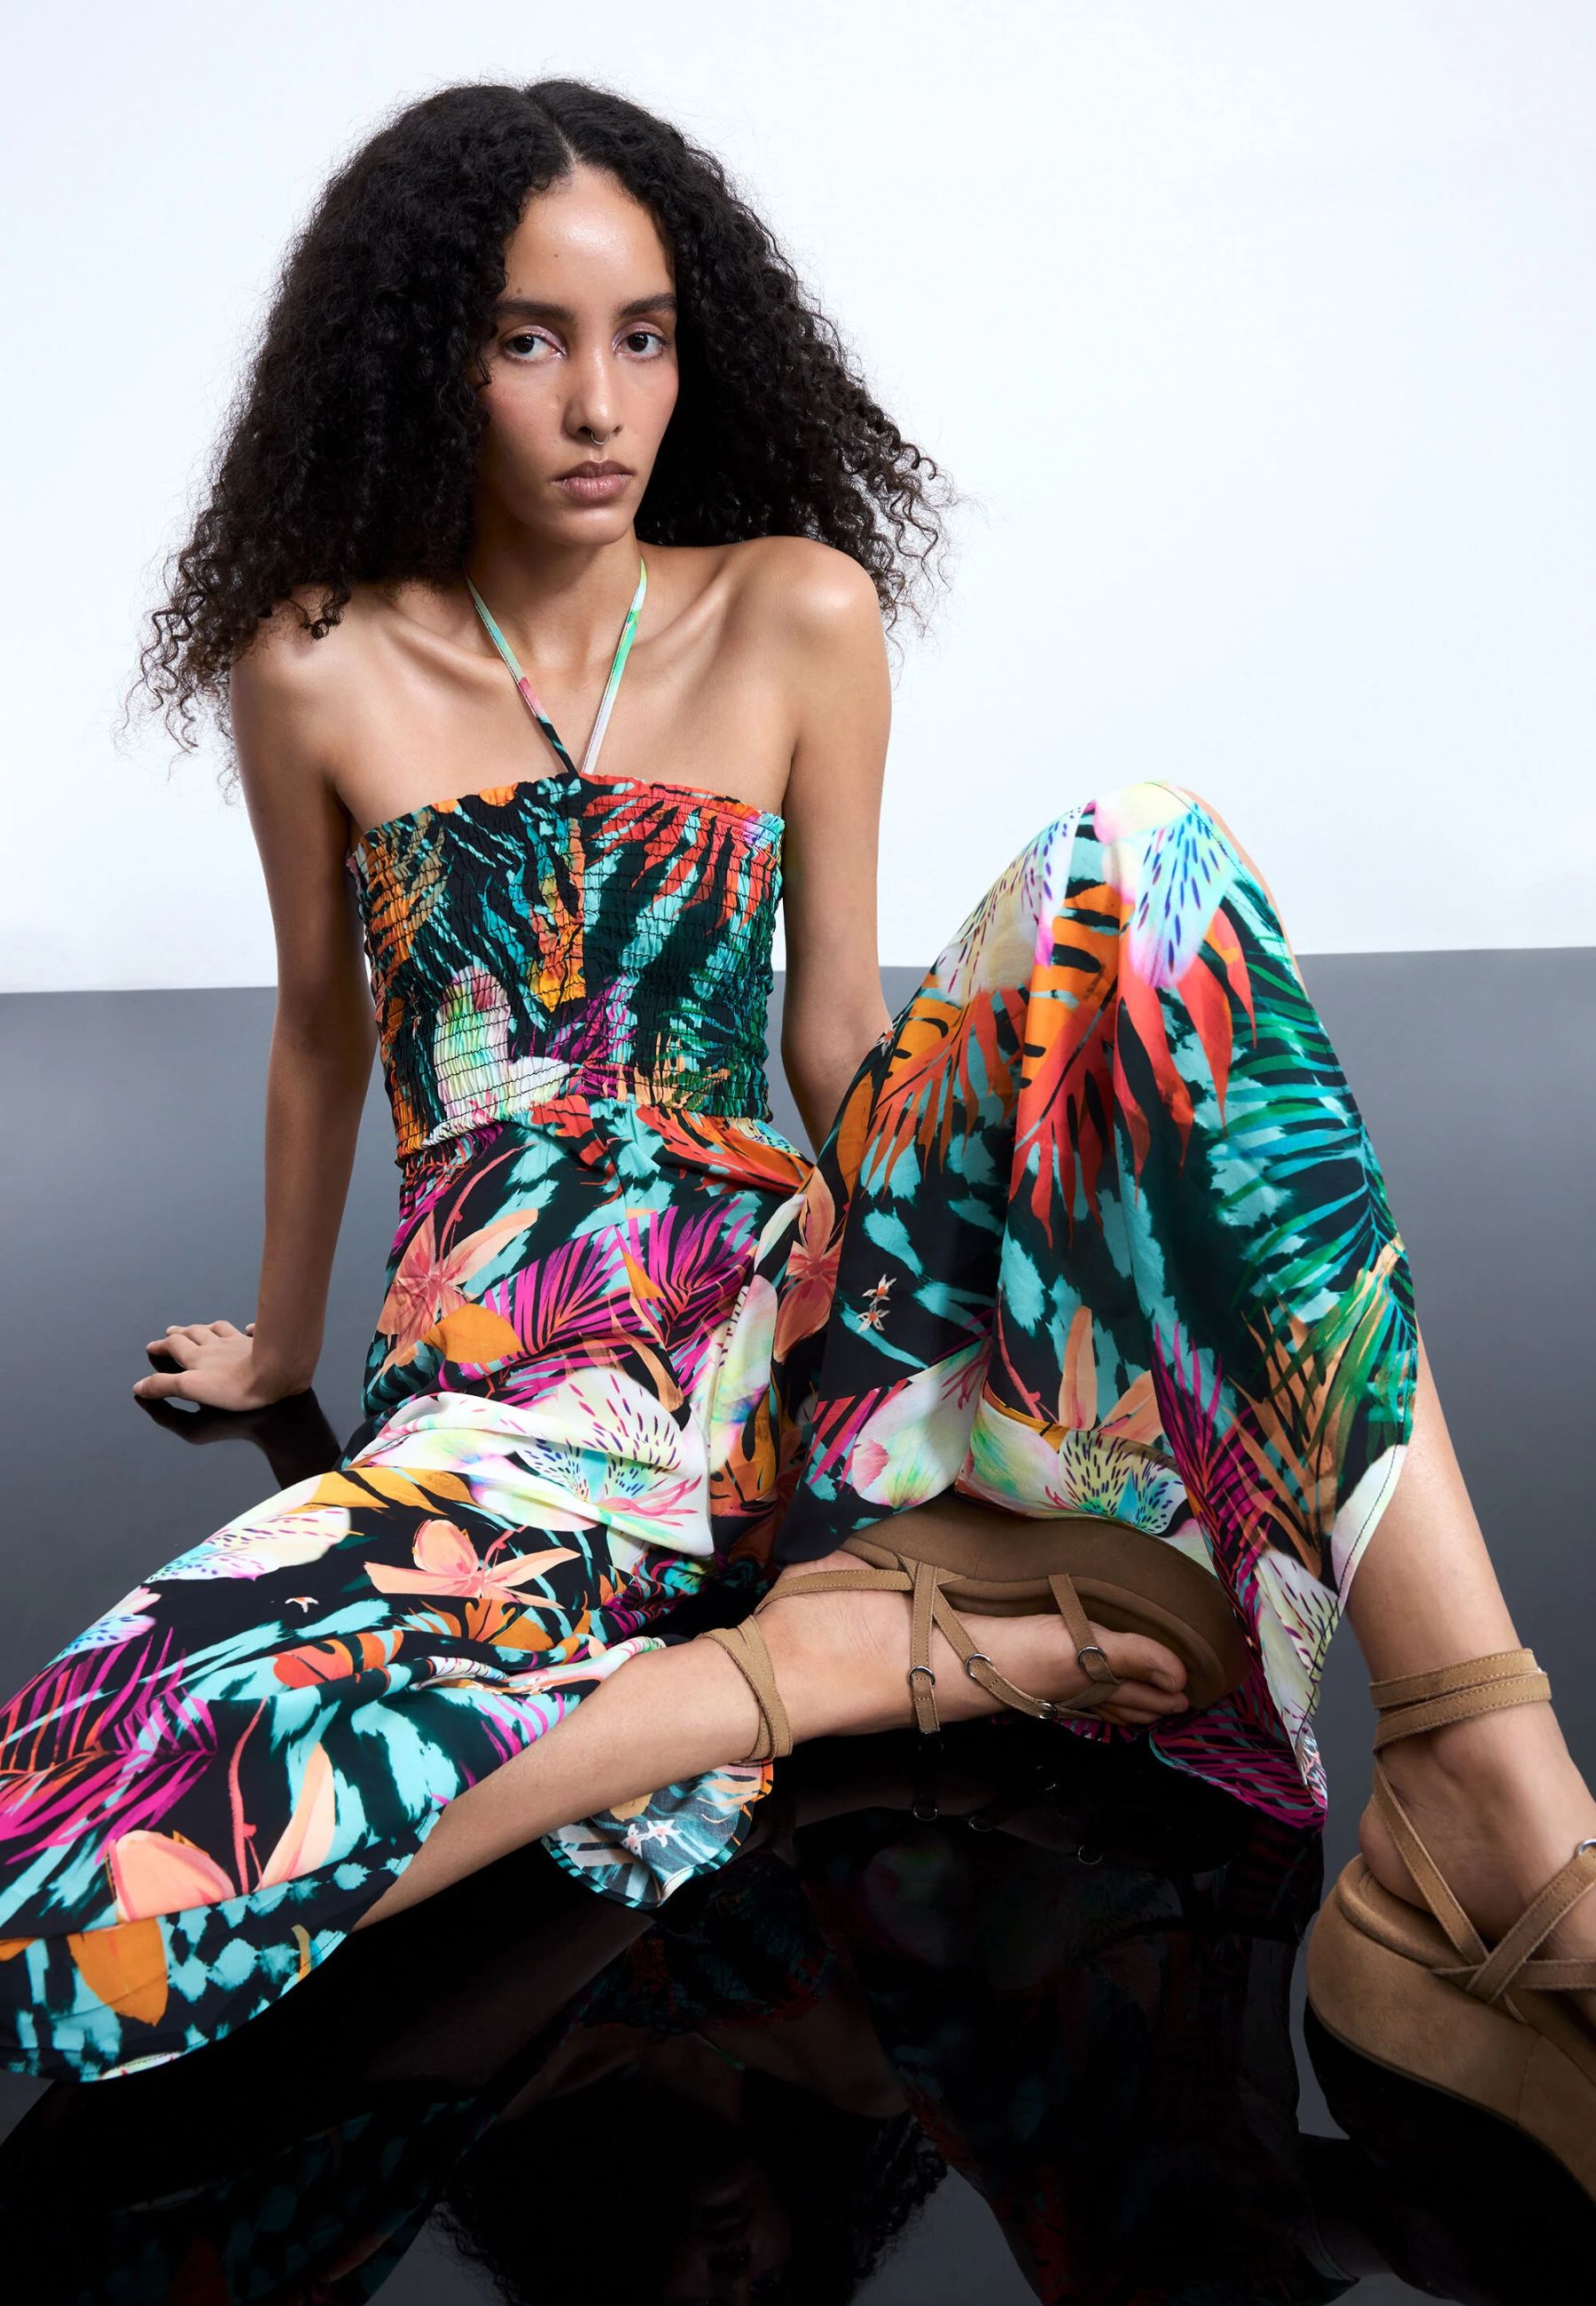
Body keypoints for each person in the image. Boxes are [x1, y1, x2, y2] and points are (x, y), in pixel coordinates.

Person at [0, 78, 1589, 2185]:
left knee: (1152, 858)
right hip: (514, 1403)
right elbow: (319, 1029)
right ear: (419, 361)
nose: (601, 405)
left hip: (797, 1325)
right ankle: (809, 1671)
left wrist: (1028, 1206)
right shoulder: (312, 665)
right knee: (56, 1893)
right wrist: (285, 1351)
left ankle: (1486, 1772)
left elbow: (837, 1042)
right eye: (529, 339)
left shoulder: (800, 613)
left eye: (644, 336)